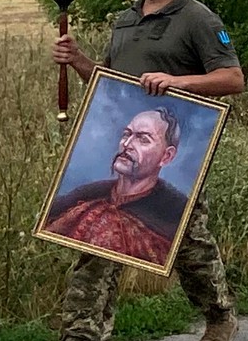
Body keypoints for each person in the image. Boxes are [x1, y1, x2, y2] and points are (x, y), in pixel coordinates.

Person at [22, 0, 244, 341]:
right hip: (125, 155)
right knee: (100, 240)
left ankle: (220, 316)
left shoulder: (198, 19)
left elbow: (232, 79)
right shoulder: (125, 21)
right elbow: (111, 87)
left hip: (174, 155)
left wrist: (177, 81)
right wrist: (78, 59)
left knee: (189, 245)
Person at [41, 108, 191, 263]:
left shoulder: (173, 214)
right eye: (127, 134)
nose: (127, 144)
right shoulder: (86, 196)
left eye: (143, 139)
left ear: (166, 156)